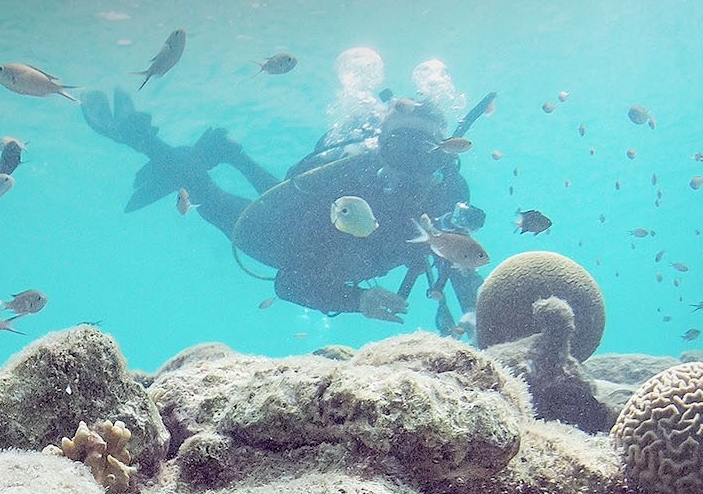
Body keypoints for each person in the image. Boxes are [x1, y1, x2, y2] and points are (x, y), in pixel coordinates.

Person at [82, 73, 490, 327]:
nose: (410, 164)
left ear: (444, 154)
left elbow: (463, 269)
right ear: (380, 146)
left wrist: (480, 323)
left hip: (309, 221)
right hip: (273, 239)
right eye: (400, 146)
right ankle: (140, 137)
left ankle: (230, 152)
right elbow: (290, 281)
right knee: (207, 196)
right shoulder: (351, 174)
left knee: (281, 196)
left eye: (425, 151)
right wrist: (358, 299)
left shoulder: (449, 198)